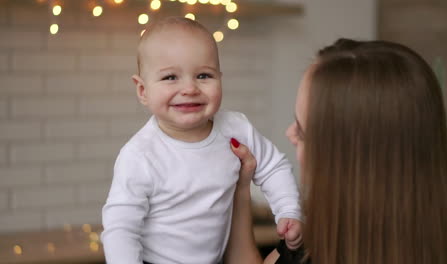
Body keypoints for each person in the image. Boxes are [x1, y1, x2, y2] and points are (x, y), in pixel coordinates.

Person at [225, 38, 447, 264]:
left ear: (346, 162)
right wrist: (241, 189)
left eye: (302, 132)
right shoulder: (307, 244)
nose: (290, 134)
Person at [101, 17, 303, 264]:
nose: (190, 88)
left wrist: (289, 211)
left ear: (220, 78)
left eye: (204, 75)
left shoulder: (235, 128)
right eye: (170, 77)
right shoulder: (140, 155)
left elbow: (274, 167)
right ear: (143, 90)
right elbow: (120, 228)